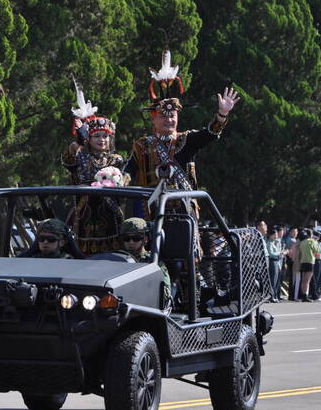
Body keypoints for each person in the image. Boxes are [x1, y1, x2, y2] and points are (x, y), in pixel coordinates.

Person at [124, 50, 240, 199]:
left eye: (172, 116)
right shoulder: (142, 146)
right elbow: (128, 172)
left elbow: (211, 133)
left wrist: (222, 113)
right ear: (153, 119)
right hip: (152, 211)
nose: (169, 120)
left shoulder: (187, 139)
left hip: (184, 209)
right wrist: (114, 179)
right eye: (163, 116)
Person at [62, 78, 126, 254]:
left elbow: (124, 181)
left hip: (110, 213)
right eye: (97, 136)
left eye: (105, 136)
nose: (101, 140)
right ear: (89, 139)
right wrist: (77, 143)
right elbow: (68, 160)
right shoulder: (81, 156)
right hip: (85, 214)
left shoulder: (117, 159)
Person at [119, 218, 171, 311]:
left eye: (136, 238)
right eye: (127, 238)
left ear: (145, 239)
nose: (131, 242)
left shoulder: (153, 263)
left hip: (144, 310)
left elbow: (165, 294)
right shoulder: (118, 260)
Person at [296, 228, 319, 302]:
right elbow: (316, 252)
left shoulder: (302, 242)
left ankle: (303, 295)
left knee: (303, 280)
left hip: (303, 261)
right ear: (311, 235)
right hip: (310, 261)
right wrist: (317, 256)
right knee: (307, 281)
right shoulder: (312, 241)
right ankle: (305, 296)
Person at [265, 227, 283, 302]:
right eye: (274, 235)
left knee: (276, 280)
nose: (276, 236)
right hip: (272, 261)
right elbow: (271, 253)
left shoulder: (274, 242)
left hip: (276, 261)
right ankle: (271, 296)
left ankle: (274, 296)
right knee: (273, 280)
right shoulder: (269, 243)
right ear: (270, 235)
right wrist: (280, 253)